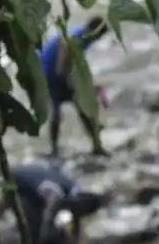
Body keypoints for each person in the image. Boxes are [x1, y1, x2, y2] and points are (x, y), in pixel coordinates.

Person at [38, 17, 109, 157]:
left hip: (54, 70)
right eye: (99, 36)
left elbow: (76, 60)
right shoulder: (79, 36)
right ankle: (93, 146)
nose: (98, 40)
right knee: (70, 109)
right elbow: (64, 45)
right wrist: (64, 75)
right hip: (50, 73)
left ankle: (94, 146)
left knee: (76, 109)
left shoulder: (80, 31)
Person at [13, 162, 103, 244]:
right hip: (18, 179)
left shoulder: (75, 191)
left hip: (40, 176)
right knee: (35, 224)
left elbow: (76, 220)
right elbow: (46, 222)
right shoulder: (52, 194)